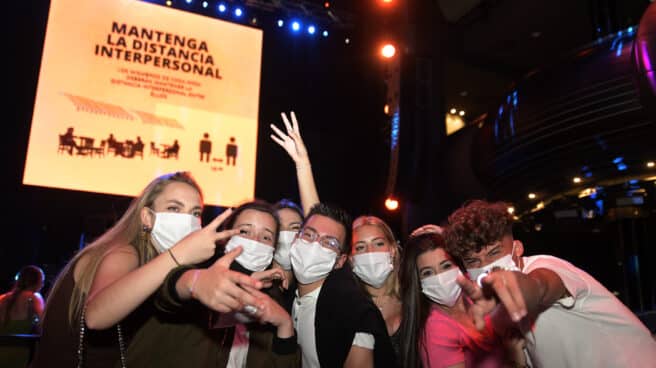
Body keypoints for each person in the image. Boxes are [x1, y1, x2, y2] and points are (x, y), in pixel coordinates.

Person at [30, 172, 262, 368]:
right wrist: (180, 254)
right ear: (147, 217)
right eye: (174, 208)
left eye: (195, 213)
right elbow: (96, 316)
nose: (187, 221)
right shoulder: (124, 252)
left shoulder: (151, 262)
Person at [447, 199, 656, 368]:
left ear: (517, 248)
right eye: (474, 261)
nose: (486, 267)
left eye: (494, 253)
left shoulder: (547, 265)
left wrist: (519, 286)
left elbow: (540, 287)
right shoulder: (493, 310)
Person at [133, 200, 298, 367]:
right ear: (226, 237)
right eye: (244, 231)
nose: (255, 241)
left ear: (273, 250)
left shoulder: (272, 300)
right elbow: (168, 293)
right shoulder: (199, 272)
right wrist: (194, 282)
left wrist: (285, 325)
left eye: (266, 237)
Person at [290, 203, 395, 368]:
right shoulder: (285, 295)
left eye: (329, 243)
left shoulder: (351, 314)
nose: (315, 245)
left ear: (340, 261)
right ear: (295, 239)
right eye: (309, 235)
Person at [398, 232, 521, 368]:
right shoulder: (436, 328)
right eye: (427, 273)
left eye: (446, 266)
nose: (440, 278)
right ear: (418, 282)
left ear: (458, 266)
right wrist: (515, 359)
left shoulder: (475, 293)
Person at [350, 216, 403, 363]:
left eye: (379, 243)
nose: (370, 252)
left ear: (392, 250)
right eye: (360, 247)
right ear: (350, 258)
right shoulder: (348, 307)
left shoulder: (411, 297)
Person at [0, 265, 45, 368]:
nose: (42, 285)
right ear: (37, 281)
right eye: (42, 281)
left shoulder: (2, 298)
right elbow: (44, 324)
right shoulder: (34, 298)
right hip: (18, 352)